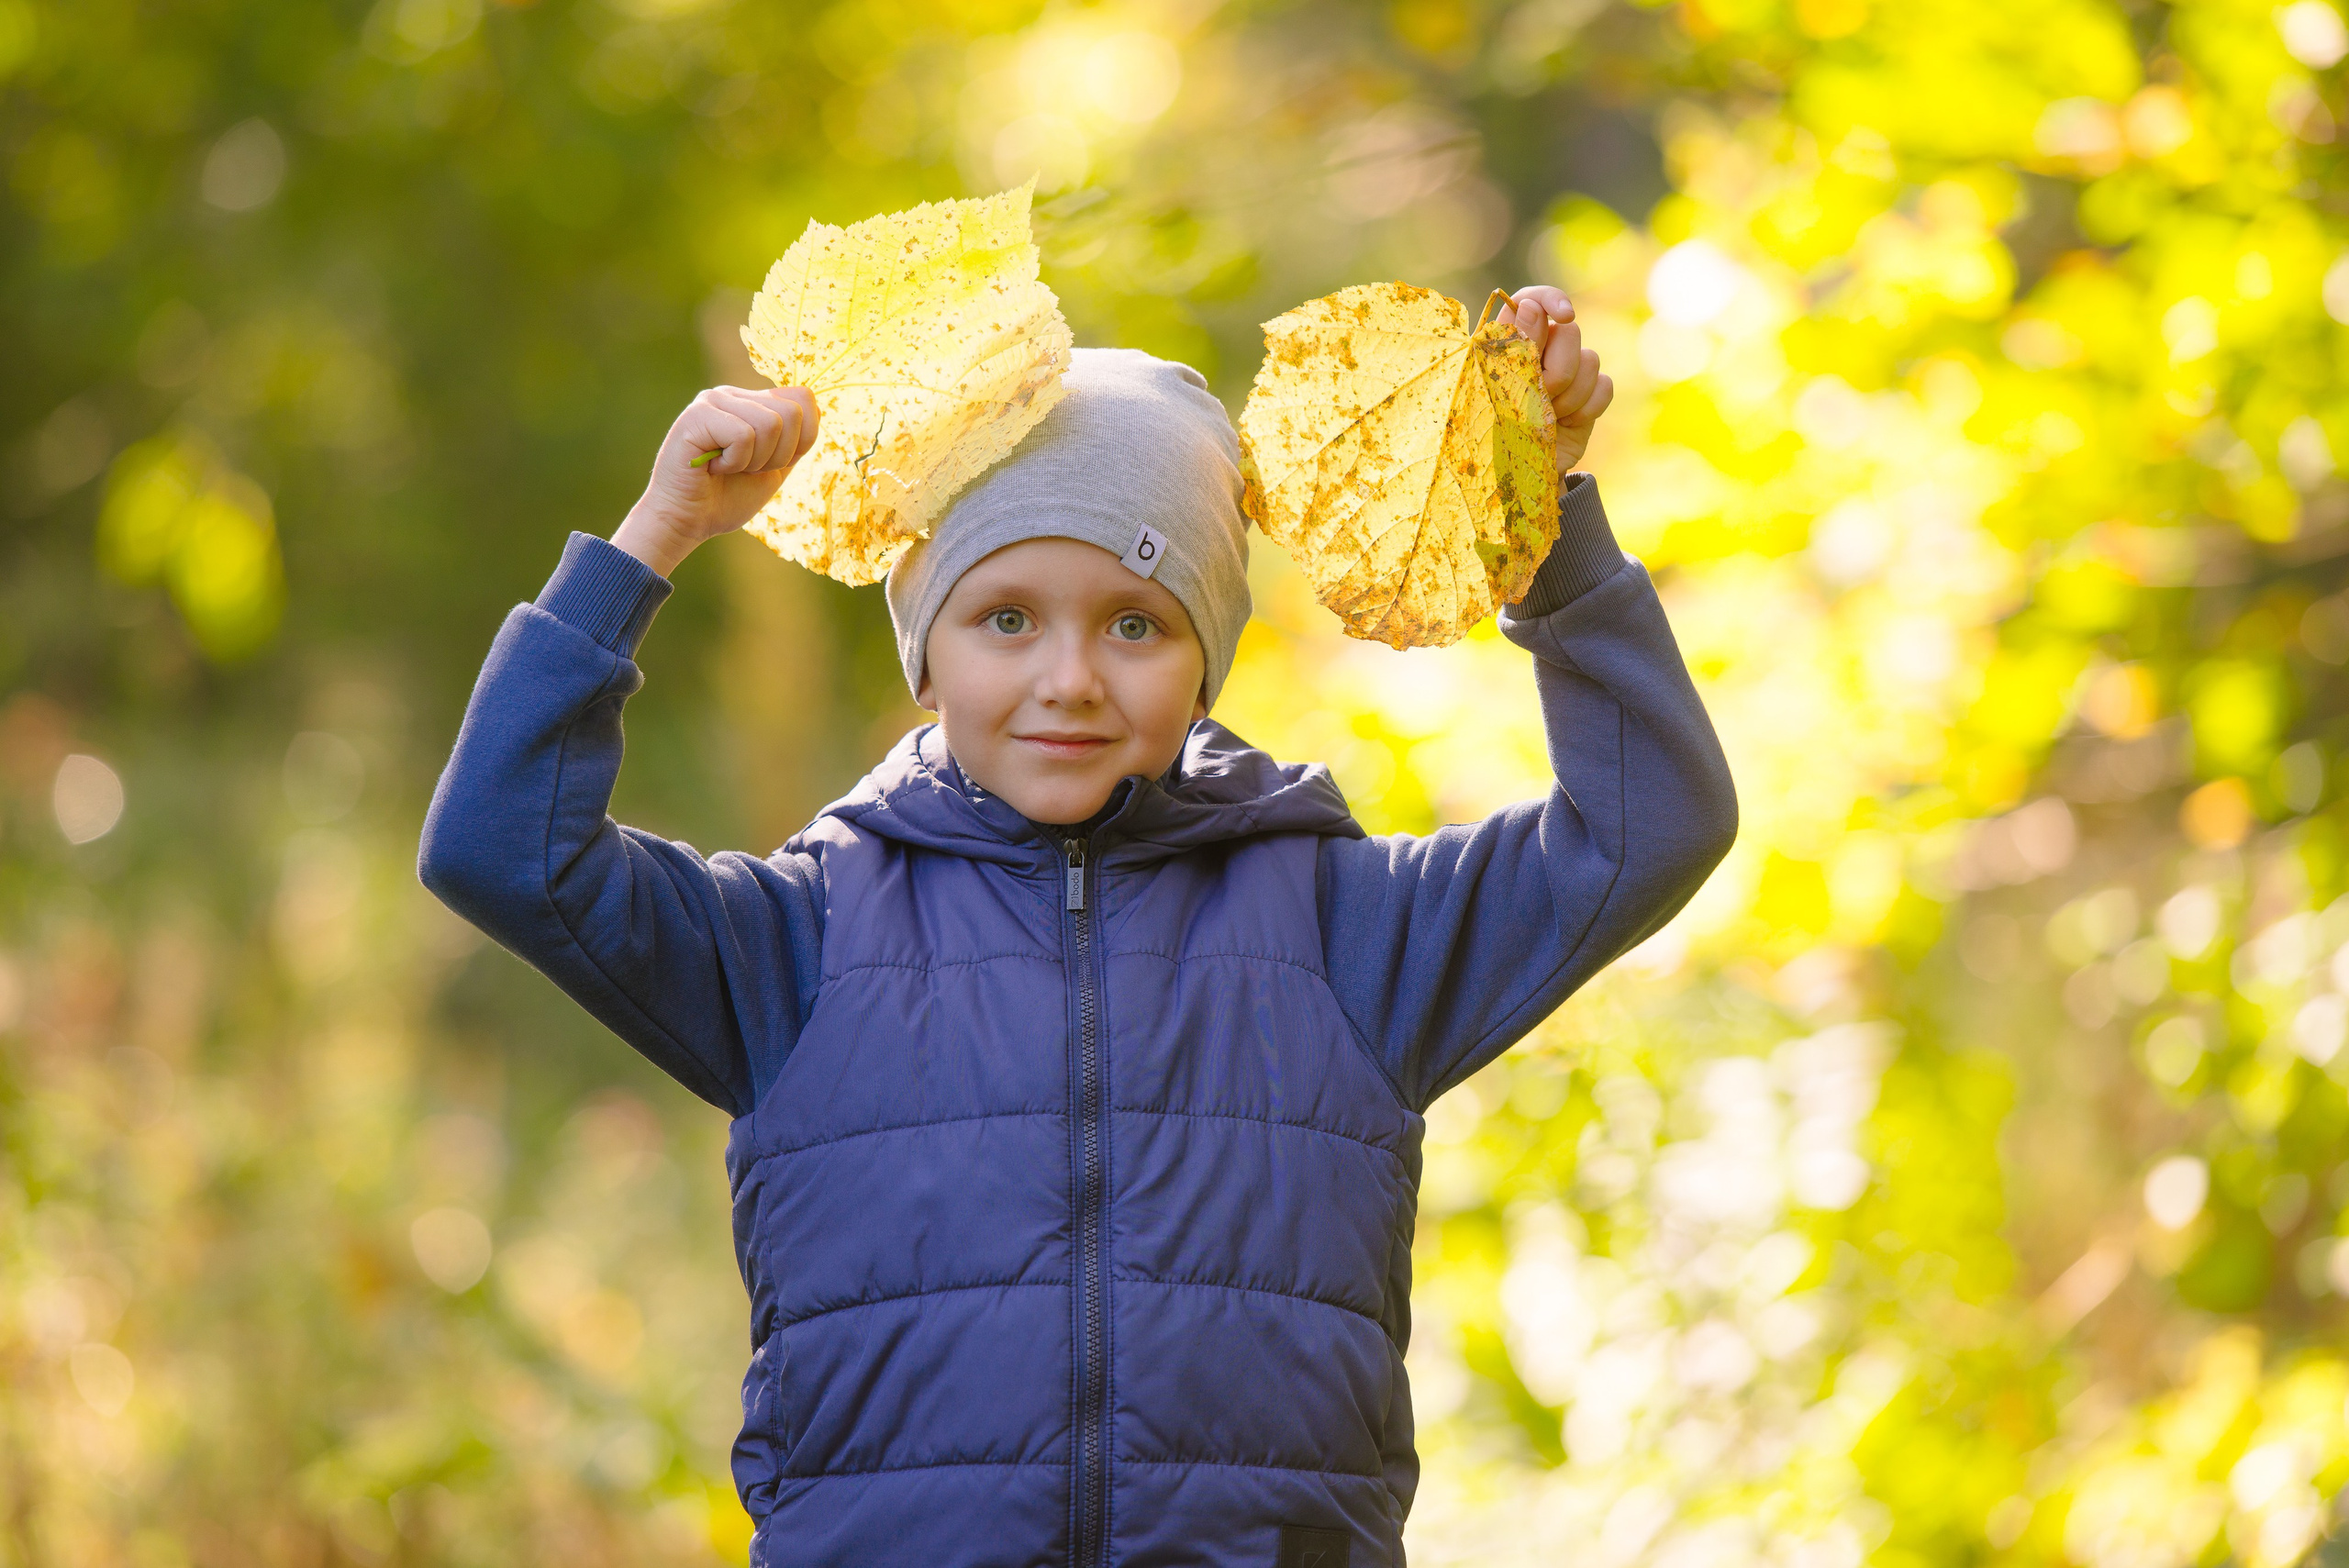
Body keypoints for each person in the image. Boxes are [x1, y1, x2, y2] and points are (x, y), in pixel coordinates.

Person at [418, 285, 1735, 1568]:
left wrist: (1542, 507)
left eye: (1136, 624)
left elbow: (1650, 823)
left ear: (1207, 659)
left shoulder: (1350, 929)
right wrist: (656, 534)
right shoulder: (797, 942)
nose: (1070, 679)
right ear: (925, 653)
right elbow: (499, 847)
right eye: (1005, 619)